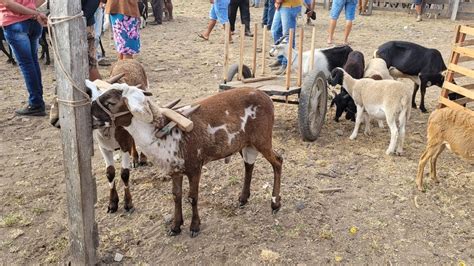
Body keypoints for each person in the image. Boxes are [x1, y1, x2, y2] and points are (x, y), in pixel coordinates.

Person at [0, 0, 48, 116]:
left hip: (15, 22)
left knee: (27, 64)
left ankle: (36, 103)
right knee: (32, 62)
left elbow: (8, 3)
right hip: (33, 22)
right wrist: (31, 10)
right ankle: (38, 100)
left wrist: (30, 12)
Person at [270, 0, 302, 75]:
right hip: (283, 5)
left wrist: (278, 1)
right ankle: (281, 58)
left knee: (288, 36)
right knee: (275, 31)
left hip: (290, 5)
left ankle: (286, 63)